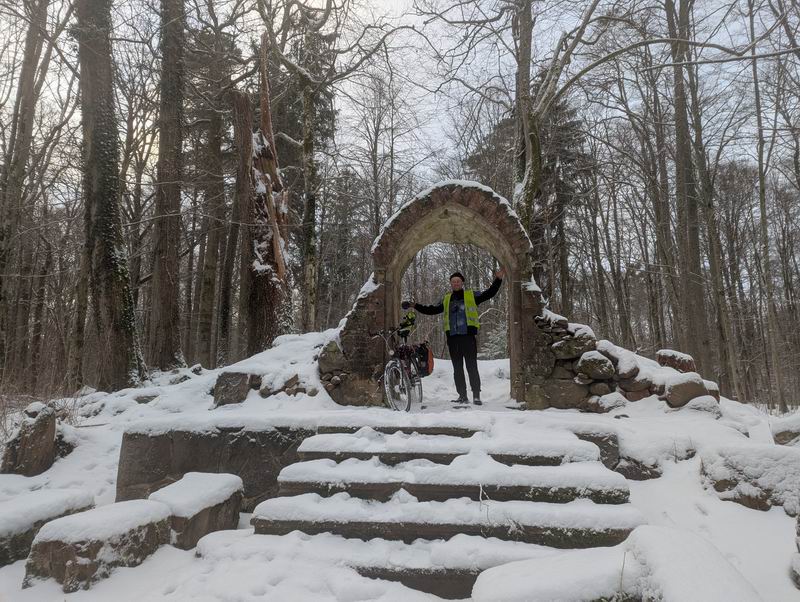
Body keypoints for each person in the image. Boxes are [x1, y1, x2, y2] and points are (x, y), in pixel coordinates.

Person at [402, 268, 505, 405]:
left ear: (462, 282)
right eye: (453, 281)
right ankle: (462, 395)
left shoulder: (471, 295)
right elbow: (431, 310)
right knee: (457, 368)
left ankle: (476, 395)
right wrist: (414, 305)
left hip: (468, 337)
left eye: (458, 281)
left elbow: (489, 293)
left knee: (471, 367)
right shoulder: (446, 299)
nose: (455, 283)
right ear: (451, 284)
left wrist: (498, 279)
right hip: (453, 339)